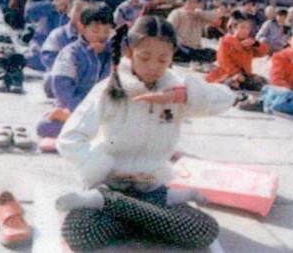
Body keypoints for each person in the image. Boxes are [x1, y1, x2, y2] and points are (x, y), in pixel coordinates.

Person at [55, 16, 235, 251]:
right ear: (129, 52)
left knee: (204, 229)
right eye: (145, 57)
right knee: (80, 232)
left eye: (163, 59)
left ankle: (117, 209)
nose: (153, 67)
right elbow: (70, 138)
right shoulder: (109, 89)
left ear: (172, 58)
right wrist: (105, 168)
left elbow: (227, 98)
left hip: (152, 189)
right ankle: (139, 215)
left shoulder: (177, 90)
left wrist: (181, 96)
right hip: (110, 183)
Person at [36, 4, 114, 152]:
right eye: (95, 30)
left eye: (106, 31)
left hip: (104, 108)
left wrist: (107, 48)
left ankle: (88, 132)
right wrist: (80, 111)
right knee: (45, 126)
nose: (101, 36)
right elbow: (62, 89)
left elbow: (131, 46)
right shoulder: (71, 53)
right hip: (75, 107)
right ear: (82, 27)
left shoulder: (111, 52)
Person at [206, 10, 269, 91]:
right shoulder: (225, 42)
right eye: (242, 27)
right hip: (227, 73)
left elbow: (263, 53)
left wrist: (256, 44)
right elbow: (224, 62)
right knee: (234, 84)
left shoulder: (249, 41)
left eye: (248, 28)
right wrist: (236, 73)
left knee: (263, 83)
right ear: (234, 27)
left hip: (245, 75)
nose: (246, 31)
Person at [41, 0, 89, 98]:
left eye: (86, 11)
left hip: (86, 76)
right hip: (63, 73)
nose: (82, 14)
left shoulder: (92, 35)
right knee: (51, 80)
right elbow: (48, 57)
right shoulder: (58, 34)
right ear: (68, 12)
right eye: (78, 10)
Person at [23, 0, 73, 71]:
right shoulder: (45, 8)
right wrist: (52, 6)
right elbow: (29, 11)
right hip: (41, 49)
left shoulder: (74, 14)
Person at [168, 0, 219, 66]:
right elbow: (169, 29)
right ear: (184, 2)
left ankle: (191, 58)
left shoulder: (199, 14)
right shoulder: (177, 13)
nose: (191, 4)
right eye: (189, 1)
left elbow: (215, 16)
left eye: (194, 2)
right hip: (181, 47)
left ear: (197, 4)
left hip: (194, 48)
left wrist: (198, 13)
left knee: (214, 54)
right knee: (182, 51)